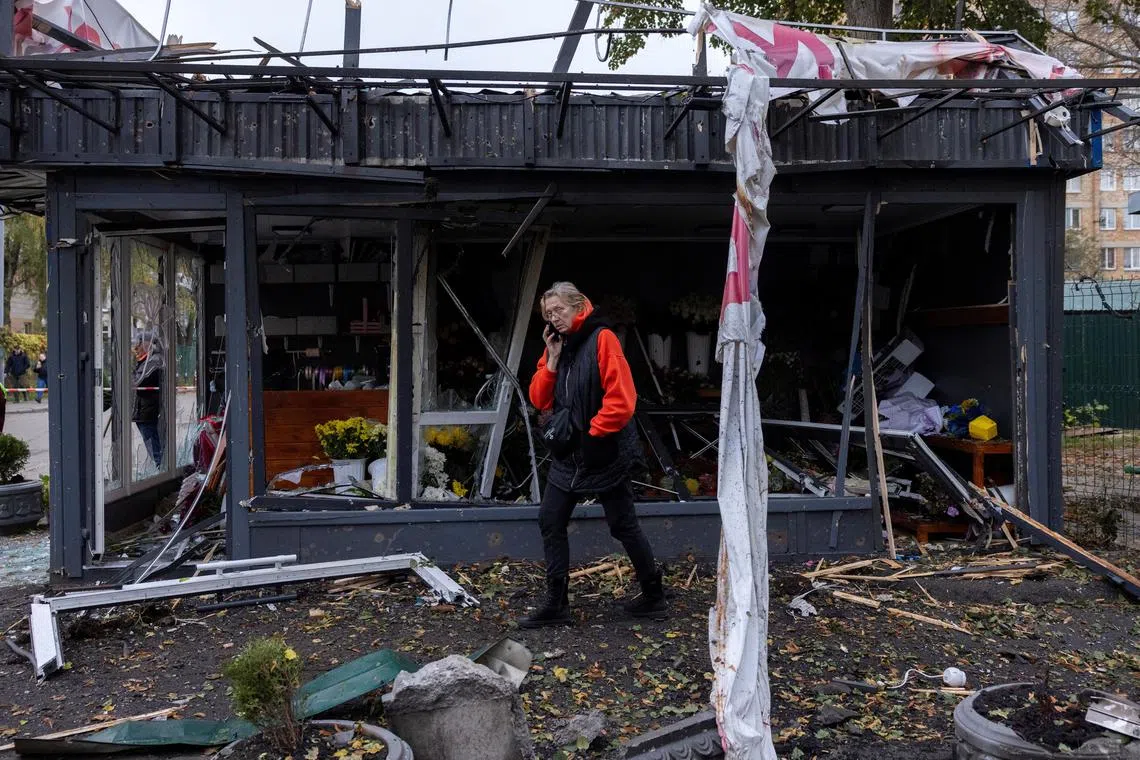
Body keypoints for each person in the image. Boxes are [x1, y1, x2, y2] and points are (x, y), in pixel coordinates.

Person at [519, 282, 666, 628]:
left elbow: (623, 398)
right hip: (569, 454)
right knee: (550, 519)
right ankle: (557, 603)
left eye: (559, 310)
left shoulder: (603, 339)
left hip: (603, 452)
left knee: (623, 525)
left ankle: (654, 596)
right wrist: (552, 360)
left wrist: (595, 435)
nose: (554, 318)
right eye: (548, 314)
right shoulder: (560, 346)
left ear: (579, 305)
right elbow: (539, 399)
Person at [132, 330, 165, 469]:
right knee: (151, 442)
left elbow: (139, 382)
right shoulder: (145, 361)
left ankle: (160, 466)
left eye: (139, 344)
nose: (136, 348)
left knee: (153, 443)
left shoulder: (154, 361)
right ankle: (159, 465)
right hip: (143, 410)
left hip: (148, 410)